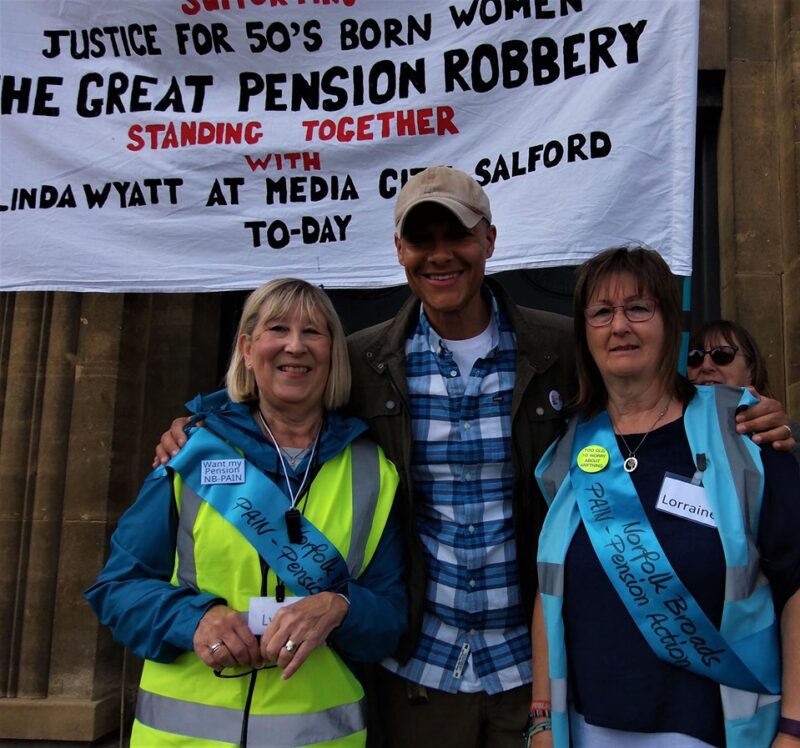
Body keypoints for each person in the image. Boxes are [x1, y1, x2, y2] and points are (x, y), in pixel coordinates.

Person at [153, 168, 794, 747]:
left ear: (489, 241)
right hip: (417, 675)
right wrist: (202, 419)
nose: (440, 254)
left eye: (456, 235)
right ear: (400, 252)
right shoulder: (366, 359)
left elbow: (648, 396)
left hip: (533, 674)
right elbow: (281, 389)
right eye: (420, 238)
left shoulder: (560, 348)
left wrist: (748, 415)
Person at [87, 278, 407, 747]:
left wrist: (342, 606)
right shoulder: (192, 453)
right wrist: (193, 618)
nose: (295, 346)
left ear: (334, 352)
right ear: (247, 347)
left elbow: (391, 619)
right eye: (277, 328)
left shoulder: (373, 471)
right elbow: (117, 589)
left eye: (314, 333)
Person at [531, 247, 800, 747]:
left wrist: (795, 727)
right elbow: (550, 590)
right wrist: (542, 719)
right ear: (585, 332)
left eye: (639, 308)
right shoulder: (568, 450)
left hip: (719, 730)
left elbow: (797, 581)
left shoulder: (742, 429)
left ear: (669, 321)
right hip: (589, 730)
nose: (620, 326)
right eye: (602, 312)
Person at [687, 319, 800, 465]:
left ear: (750, 372)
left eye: (722, 354)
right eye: (695, 356)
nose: (706, 366)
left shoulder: (783, 436)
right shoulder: (668, 429)